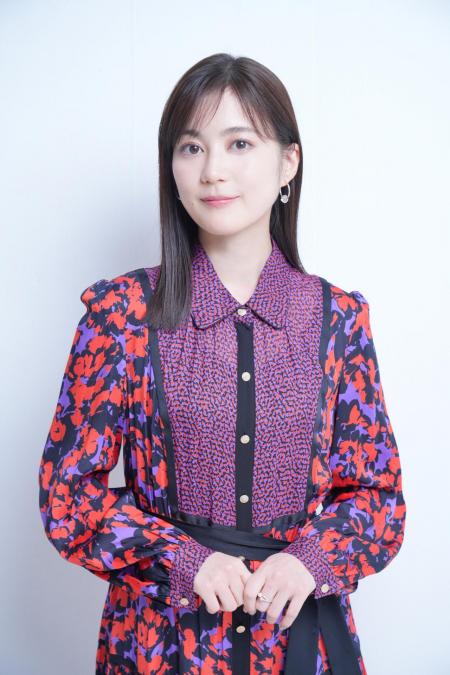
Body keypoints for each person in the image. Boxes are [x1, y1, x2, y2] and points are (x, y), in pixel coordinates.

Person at [38, 53, 407, 675]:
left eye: (239, 143)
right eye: (191, 147)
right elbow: (67, 494)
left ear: (288, 162)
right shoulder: (122, 315)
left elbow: (379, 496)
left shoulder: (339, 320)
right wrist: (181, 559)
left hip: (299, 642)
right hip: (160, 646)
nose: (213, 170)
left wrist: (311, 560)